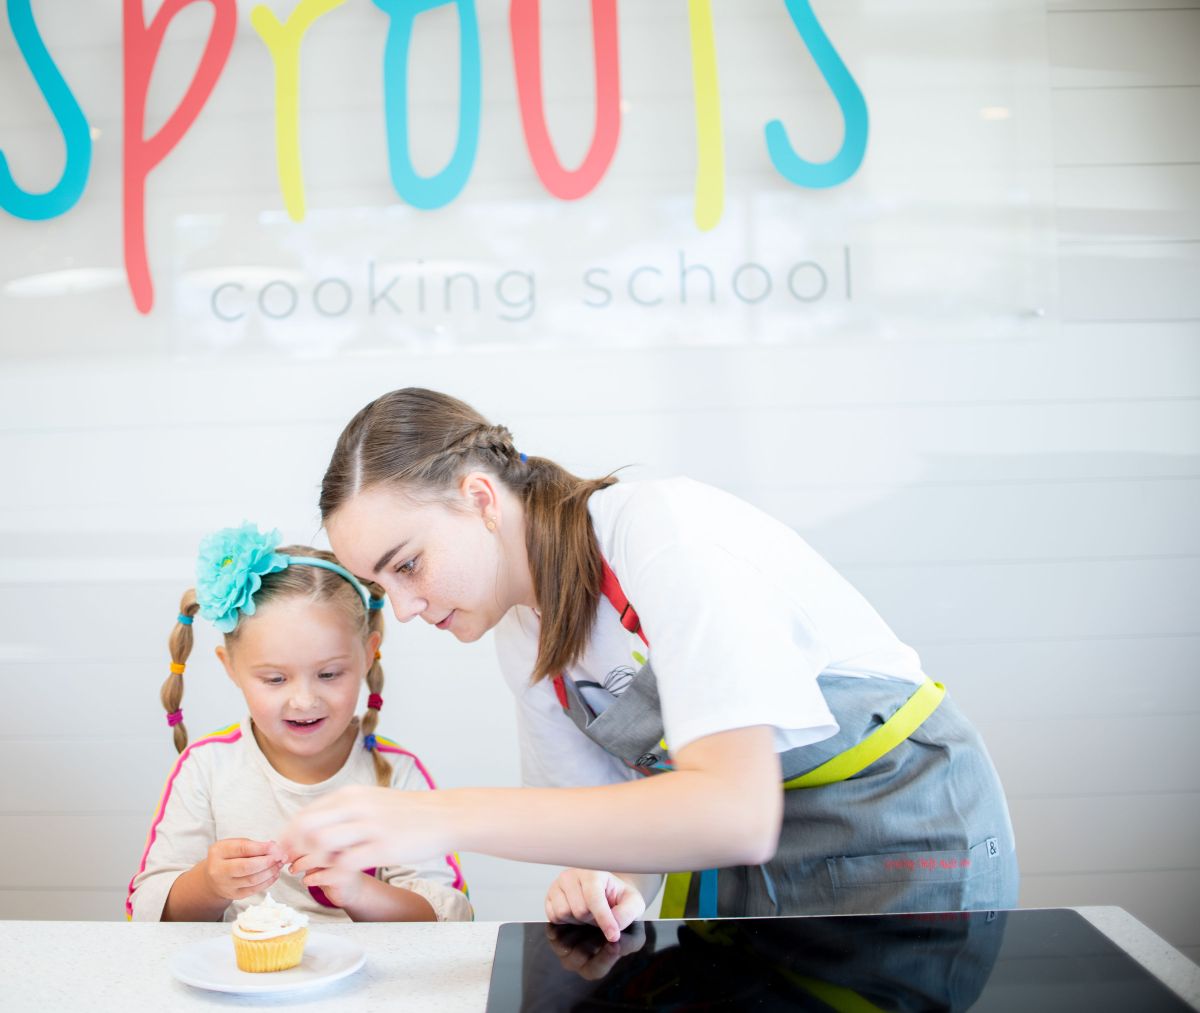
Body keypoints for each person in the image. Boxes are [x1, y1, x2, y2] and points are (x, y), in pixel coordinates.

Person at [282, 388, 1018, 942]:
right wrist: (609, 883)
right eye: (384, 587)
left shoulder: (665, 536)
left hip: (907, 841)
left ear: (480, 498)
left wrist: (433, 817)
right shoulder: (522, 639)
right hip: (757, 872)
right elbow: (601, 829)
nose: (404, 608)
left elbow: (735, 811)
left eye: (408, 565)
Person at [126, 523, 472, 924]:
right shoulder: (205, 768)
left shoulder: (398, 774)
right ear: (231, 668)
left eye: (329, 675)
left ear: (367, 655)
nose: (304, 700)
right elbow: (149, 911)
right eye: (274, 679)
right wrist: (209, 883)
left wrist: (361, 893)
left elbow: (449, 919)